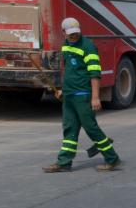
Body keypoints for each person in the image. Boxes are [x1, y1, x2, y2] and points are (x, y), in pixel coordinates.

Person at [43, 17, 121, 172]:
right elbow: (70, 72)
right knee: (69, 129)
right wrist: (62, 90)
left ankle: (112, 158)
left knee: (91, 128)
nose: (74, 36)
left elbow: (94, 74)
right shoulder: (65, 46)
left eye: (76, 33)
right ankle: (64, 162)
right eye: (70, 34)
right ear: (63, 32)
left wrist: (95, 97)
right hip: (69, 95)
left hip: (83, 95)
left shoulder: (88, 47)